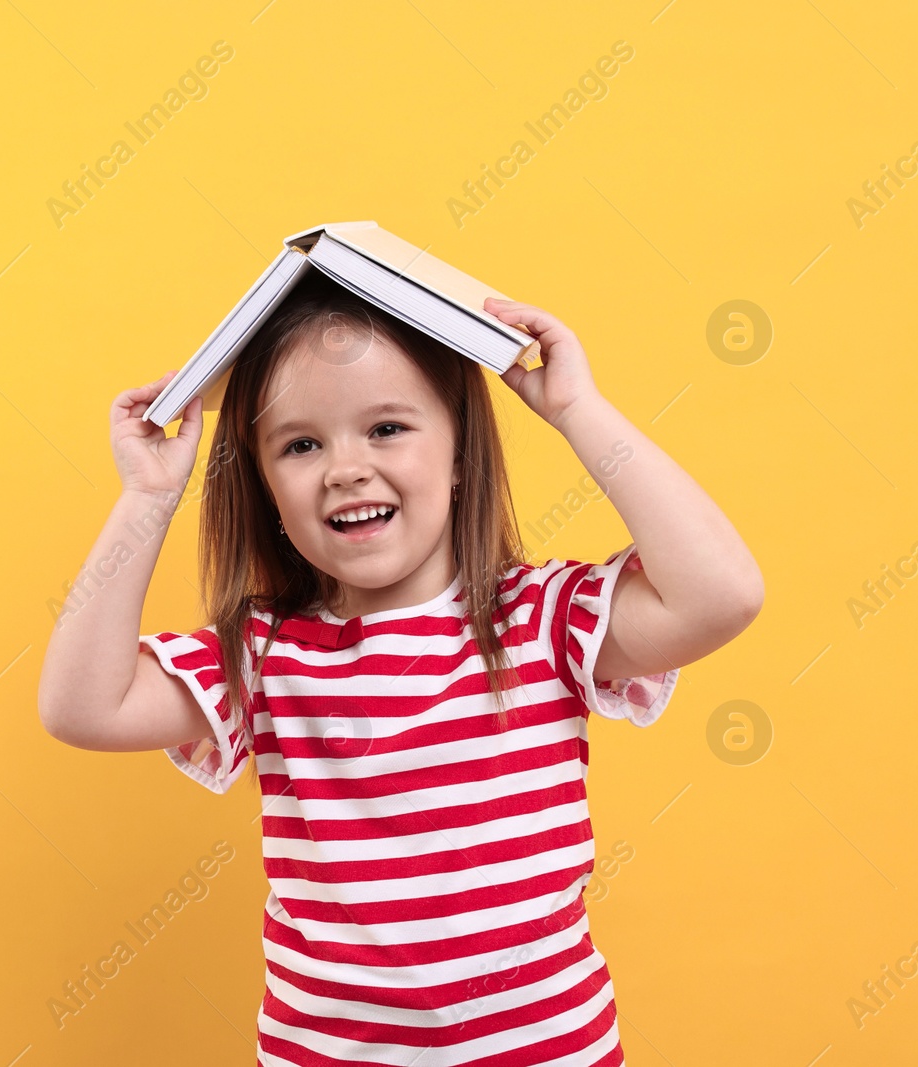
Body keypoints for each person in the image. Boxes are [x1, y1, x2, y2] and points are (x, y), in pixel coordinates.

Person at [37, 269, 764, 1064]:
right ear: (266, 485)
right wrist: (145, 497)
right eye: (301, 444)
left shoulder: (541, 618)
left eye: (386, 428)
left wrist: (576, 410)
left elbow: (721, 594)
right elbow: (83, 707)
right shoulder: (267, 653)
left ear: (458, 451)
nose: (344, 467)